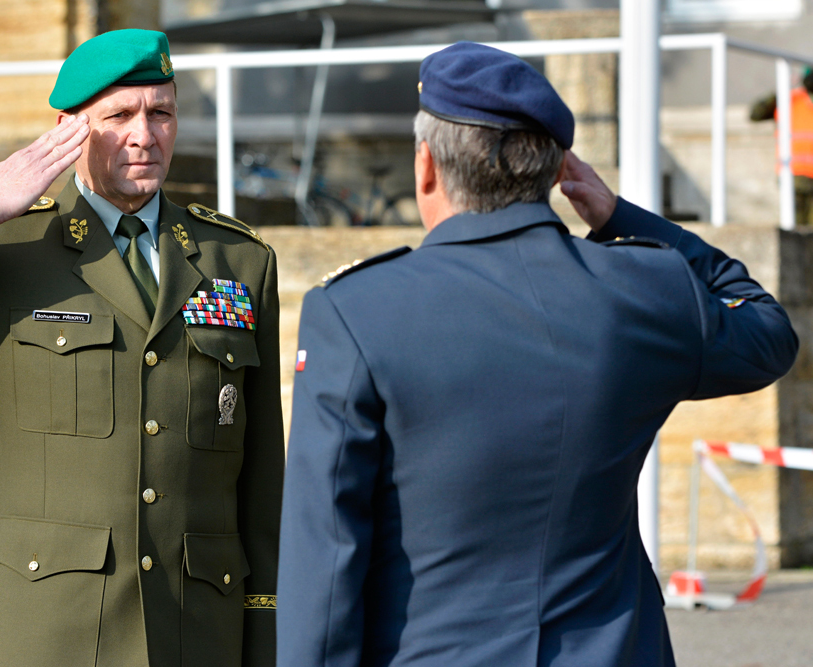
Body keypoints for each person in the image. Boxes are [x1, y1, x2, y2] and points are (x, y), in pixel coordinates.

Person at [278, 42, 797, 667]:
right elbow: (768, 330)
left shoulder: (355, 310)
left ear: (426, 166)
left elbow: (327, 557)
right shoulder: (643, 289)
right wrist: (622, 218)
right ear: (556, 172)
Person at [0, 29, 283, 667]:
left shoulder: (236, 258)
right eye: (120, 115)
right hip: (45, 632)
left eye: (162, 113)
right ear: (70, 129)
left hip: (196, 630)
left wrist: (263, 634)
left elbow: (262, 474)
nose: (144, 136)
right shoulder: (4, 251)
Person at [750, 67, 813, 225]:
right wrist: (782, 89)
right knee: (795, 228)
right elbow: (756, 114)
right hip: (794, 175)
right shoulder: (789, 99)